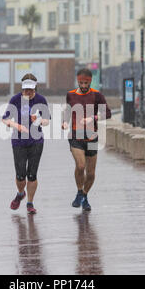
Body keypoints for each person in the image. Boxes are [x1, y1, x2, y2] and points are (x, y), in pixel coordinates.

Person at [62, 68, 111, 211]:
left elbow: (107, 113)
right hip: (76, 136)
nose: (83, 86)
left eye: (86, 83)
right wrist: (65, 121)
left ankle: (84, 195)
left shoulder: (97, 95)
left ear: (90, 81)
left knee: (90, 173)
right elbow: (68, 110)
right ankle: (79, 191)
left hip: (92, 137)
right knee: (81, 166)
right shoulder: (70, 95)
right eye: (80, 82)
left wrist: (93, 117)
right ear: (77, 81)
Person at [2, 74, 50, 215]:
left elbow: (47, 120)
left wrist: (40, 120)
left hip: (36, 141)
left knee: (32, 175)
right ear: (21, 88)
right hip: (18, 141)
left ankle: (30, 202)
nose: (27, 93)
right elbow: (5, 119)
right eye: (25, 90)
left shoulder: (41, 100)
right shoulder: (15, 99)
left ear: (35, 87)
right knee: (20, 175)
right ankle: (20, 193)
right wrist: (16, 125)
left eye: (30, 89)